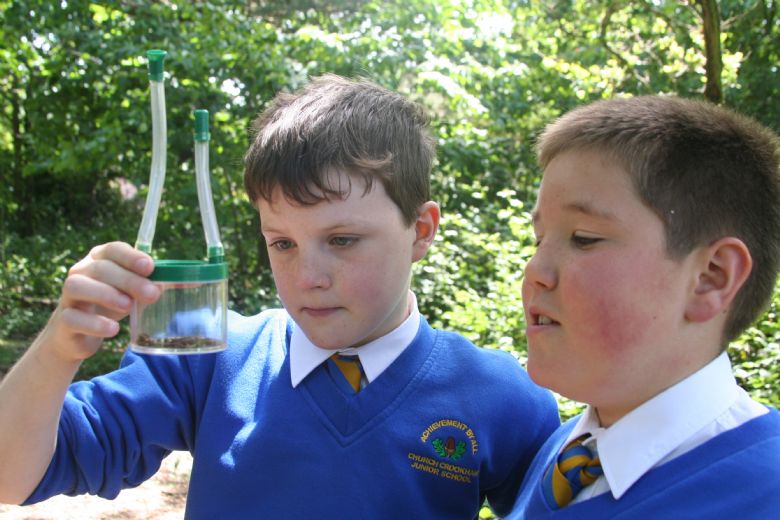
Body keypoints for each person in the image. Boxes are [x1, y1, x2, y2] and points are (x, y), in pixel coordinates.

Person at [0, 75, 559, 518]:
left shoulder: (502, 396)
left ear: (421, 229)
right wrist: (57, 350)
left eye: (342, 240)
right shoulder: (211, 355)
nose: (307, 275)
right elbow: (11, 475)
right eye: (282, 242)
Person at [508, 95, 780, 518]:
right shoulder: (567, 453)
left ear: (711, 277)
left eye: (584, 238)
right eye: (539, 239)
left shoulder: (763, 494)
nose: (534, 270)